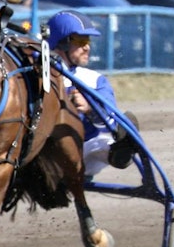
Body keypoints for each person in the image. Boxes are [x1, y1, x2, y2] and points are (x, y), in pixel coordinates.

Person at [45, 10, 138, 177]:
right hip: (45, 154)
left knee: (123, 126)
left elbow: (110, 118)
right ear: (62, 43)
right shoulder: (38, 76)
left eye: (87, 41)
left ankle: (121, 151)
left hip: (86, 152)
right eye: (80, 41)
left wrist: (89, 107)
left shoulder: (94, 80)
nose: (87, 47)